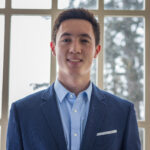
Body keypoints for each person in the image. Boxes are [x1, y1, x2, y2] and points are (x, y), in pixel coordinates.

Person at [7, 8, 141, 150]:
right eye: (66, 40)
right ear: (53, 48)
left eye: (84, 40)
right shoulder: (22, 112)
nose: (75, 49)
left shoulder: (123, 112)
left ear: (97, 50)